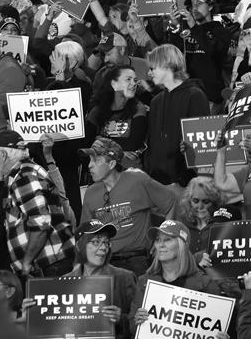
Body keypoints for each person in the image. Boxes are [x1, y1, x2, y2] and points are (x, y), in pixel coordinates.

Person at [79, 137, 177, 276]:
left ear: (111, 163)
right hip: (105, 262)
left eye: (95, 160)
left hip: (137, 261)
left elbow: (171, 202)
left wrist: (162, 239)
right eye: (89, 160)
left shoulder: (138, 180)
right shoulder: (90, 192)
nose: (90, 165)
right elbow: (86, 232)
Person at [0, 129, 76, 278]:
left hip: (50, 266)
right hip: (49, 264)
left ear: (2, 155)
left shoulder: (25, 176)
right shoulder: (19, 175)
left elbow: (40, 222)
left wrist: (26, 262)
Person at [129, 221, 228, 333]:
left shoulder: (205, 283)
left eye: (167, 240)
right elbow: (132, 328)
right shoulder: (145, 281)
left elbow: (215, 328)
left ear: (182, 244)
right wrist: (136, 321)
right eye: (158, 240)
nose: (161, 245)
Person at [144, 43, 209, 185]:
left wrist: (185, 178)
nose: (149, 73)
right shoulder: (156, 101)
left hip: (185, 183)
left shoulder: (195, 96)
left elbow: (201, 146)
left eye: (152, 68)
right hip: (156, 180)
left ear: (167, 65)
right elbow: (152, 142)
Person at [62, 220, 137, 339]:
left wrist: (121, 319)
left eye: (106, 243)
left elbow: (140, 323)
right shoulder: (64, 282)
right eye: (96, 242)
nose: (103, 248)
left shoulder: (125, 278)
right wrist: (32, 315)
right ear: (78, 246)